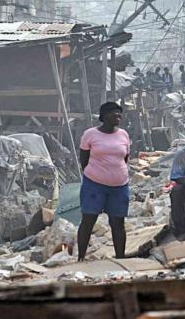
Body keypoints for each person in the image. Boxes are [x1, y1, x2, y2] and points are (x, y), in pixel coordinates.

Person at [77, 102, 131, 261]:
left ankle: (120, 258)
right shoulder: (90, 134)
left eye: (120, 114)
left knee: (118, 223)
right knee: (88, 220)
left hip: (120, 187)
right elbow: (84, 160)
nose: (118, 117)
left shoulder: (124, 135)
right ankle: (81, 258)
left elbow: (125, 158)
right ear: (105, 116)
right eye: (115, 114)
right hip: (94, 185)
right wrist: (99, 174)